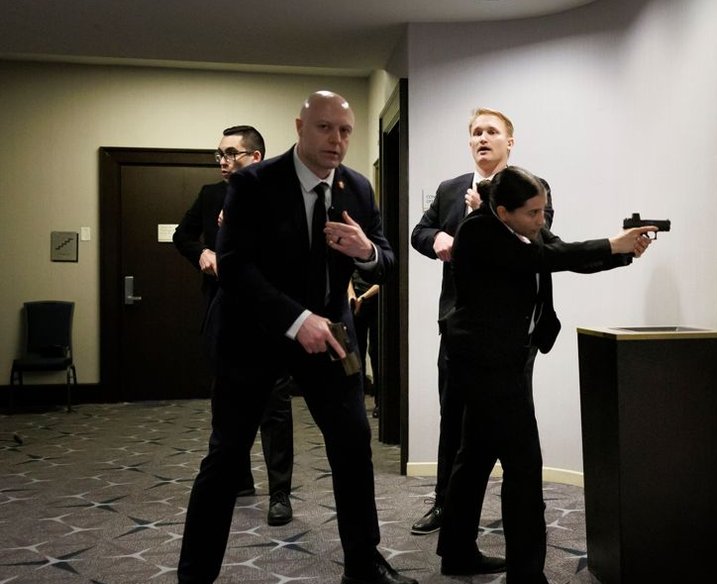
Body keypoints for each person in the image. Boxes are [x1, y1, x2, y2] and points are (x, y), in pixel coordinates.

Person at [177, 91, 415, 584]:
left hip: (331, 337)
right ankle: (195, 576)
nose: (337, 140)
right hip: (254, 334)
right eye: (326, 128)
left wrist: (367, 249)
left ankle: (363, 565)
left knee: (353, 445)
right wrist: (295, 318)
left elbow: (388, 261)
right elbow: (236, 266)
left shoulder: (358, 188)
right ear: (300, 127)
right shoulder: (253, 183)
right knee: (227, 456)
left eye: (345, 131)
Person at [436, 166, 655, 583]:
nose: (542, 221)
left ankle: (457, 551)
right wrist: (611, 242)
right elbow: (543, 259)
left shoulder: (525, 230)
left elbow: (565, 254)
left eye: (545, 211)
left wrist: (624, 252)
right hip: (487, 364)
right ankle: (526, 574)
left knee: (476, 456)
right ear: (503, 211)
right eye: (534, 213)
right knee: (523, 466)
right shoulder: (479, 231)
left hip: (500, 359)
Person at [409, 108, 553, 536]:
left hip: (513, 335)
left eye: (492, 132)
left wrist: (486, 215)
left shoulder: (532, 187)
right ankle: (444, 504)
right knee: (453, 418)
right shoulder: (450, 188)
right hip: (458, 326)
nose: (482, 138)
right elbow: (420, 230)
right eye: (476, 132)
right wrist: (436, 238)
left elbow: (541, 242)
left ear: (511, 142)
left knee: (511, 433)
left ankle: (518, 511)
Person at [172, 125, 296, 527]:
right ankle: (238, 479)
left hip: (267, 314)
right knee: (225, 402)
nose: (222, 162)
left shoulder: (280, 195)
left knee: (275, 408)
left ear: (255, 158)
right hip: (224, 312)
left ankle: (280, 492)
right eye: (219, 156)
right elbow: (182, 235)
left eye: (230, 154)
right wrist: (203, 251)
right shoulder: (210, 195)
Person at [349, 272, 381, 418]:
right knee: (356, 352)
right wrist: (352, 297)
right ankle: (357, 400)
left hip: (377, 302)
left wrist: (363, 297)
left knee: (376, 352)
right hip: (356, 301)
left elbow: (385, 278)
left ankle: (380, 402)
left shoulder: (379, 252)